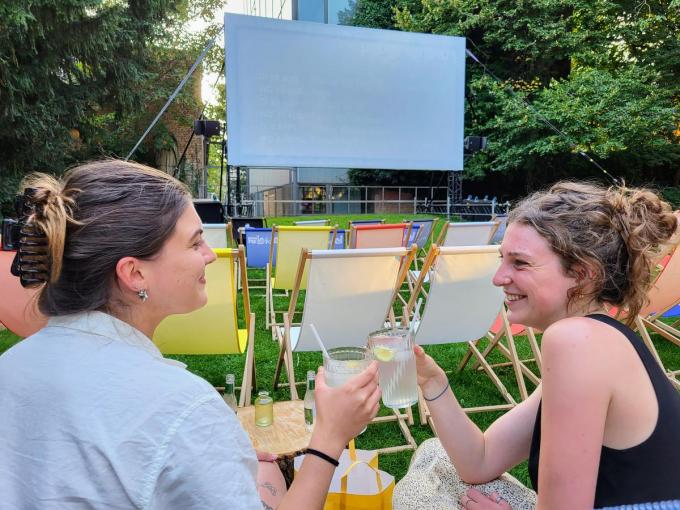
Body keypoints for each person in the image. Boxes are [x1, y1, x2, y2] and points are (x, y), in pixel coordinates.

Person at [0, 160, 381, 509]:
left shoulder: (10, 366)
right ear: (135, 274)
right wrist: (329, 438)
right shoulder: (180, 407)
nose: (211, 255)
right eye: (195, 241)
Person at [394, 182, 680, 510]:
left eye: (520, 263)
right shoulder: (595, 339)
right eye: (502, 260)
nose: (498, 277)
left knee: (424, 495)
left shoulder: (577, 342)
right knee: (434, 454)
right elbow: (479, 461)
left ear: (583, 274)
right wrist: (433, 381)